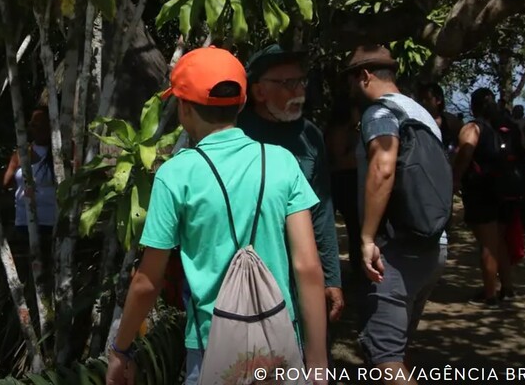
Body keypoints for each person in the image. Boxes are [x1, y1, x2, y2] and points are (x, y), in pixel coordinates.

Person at [105, 47, 328, 385]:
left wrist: (120, 351)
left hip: (212, 347)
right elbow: (308, 268)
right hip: (280, 342)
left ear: (183, 107)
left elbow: (148, 281)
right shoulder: (282, 162)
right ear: (241, 103)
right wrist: (318, 363)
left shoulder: (175, 174)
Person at [345, 45, 448, 385]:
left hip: (397, 250)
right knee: (398, 349)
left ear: (364, 76)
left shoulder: (379, 113)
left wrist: (366, 237)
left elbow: (384, 167)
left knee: (386, 361)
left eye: (350, 80)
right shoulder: (419, 112)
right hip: (433, 244)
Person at [237, 45, 343, 325]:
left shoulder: (310, 136)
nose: (299, 91)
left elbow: (322, 210)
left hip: (300, 275)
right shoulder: (236, 132)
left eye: (301, 82)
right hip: (244, 273)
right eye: (287, 83)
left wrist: (332, 278)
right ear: (259, 92)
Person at [451, 88, 521, 307]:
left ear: (473, 106)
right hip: (507, 190)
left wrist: (456, 178)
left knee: (488, 245)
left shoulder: (474, 128)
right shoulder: (508, 127)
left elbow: (465, 153)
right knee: (499, 240)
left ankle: (489, 294)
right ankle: (507, 288)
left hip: (482, 191)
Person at [3, 108, 57, 237]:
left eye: (41, 125)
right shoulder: (22, 153)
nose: (37, 129)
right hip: (24, 223)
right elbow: (5, 182)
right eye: (33, 125)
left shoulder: (63, 151)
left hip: (54, 222)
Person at [326, 101, 362, 280]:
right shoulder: (340, 130)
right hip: (341, 180)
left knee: (356, 229)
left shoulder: (352, 130)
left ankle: (358, 268)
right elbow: (339, 160)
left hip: (349, 181)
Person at [416, 82, 463, 154]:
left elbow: (460, 145)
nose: (423, 102)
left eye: (427, 99)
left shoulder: (451, 121)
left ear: (438, 100)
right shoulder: (415, 121)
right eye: (421, 99)